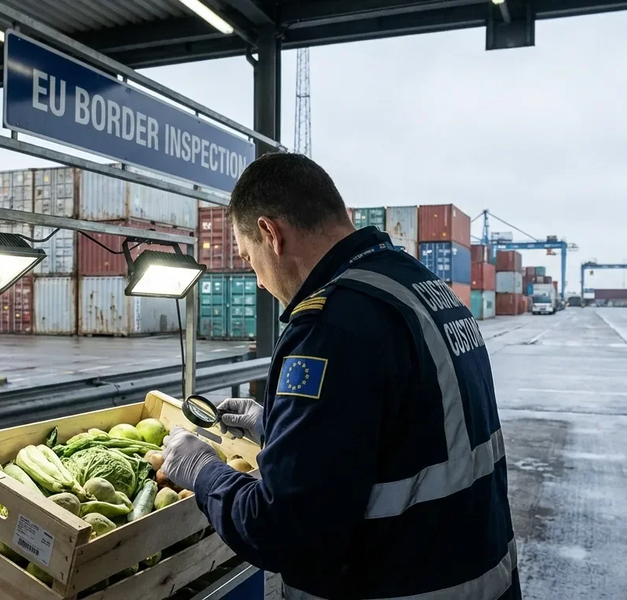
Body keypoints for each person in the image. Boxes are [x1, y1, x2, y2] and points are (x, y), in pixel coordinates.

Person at [162, 153, 520, 600]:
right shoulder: (421, 287)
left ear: (271, 234)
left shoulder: (331, 327)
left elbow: (284, 531)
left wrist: (203, 471)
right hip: (483, 578)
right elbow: (402, 433)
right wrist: (277, 426)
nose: (255, 279)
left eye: (248, 257)